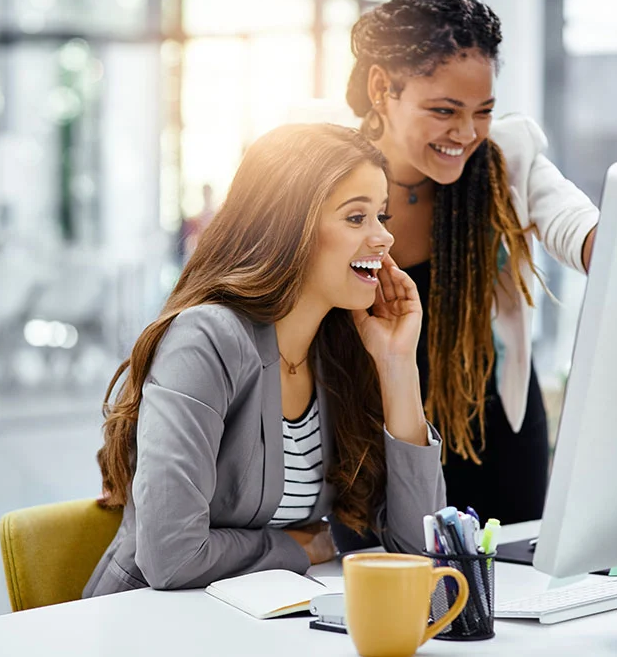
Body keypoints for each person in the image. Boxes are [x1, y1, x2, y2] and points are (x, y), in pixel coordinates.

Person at [83, 124, 446, 595]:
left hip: (256, 623)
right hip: (151, 625)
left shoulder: (338, 353)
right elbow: (170, 558)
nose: (384, 239)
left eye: (382, 215)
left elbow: (420, 554)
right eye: (357, 218)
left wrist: (399, 365)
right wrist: (294, 549)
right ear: (288, 225)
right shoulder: (207, 339)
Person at [346, 0, 600, 524]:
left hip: (496, 433)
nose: (466, 134)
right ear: (381, 88)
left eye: (482, 111)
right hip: (379, 438)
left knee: (512, 597)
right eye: (444, 111)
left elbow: (582, 229)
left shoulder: (504, 161)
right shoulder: (332, 178)